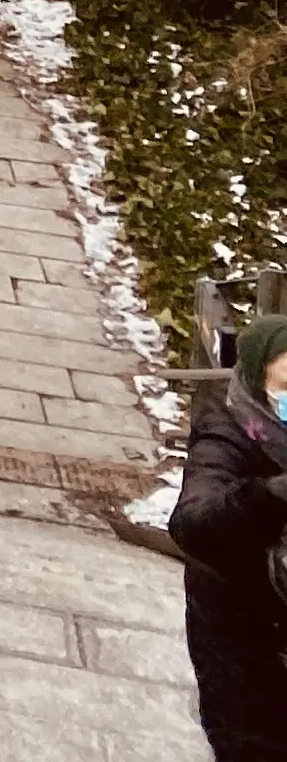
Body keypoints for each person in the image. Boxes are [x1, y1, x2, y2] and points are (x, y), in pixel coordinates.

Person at [177, 316, 287, 759]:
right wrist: (274, 494)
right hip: (243, 643)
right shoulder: (225, 433)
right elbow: (196, 524)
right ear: (260, 380)